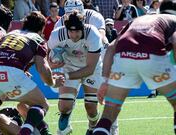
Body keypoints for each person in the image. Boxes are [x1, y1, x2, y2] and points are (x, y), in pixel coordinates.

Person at [93, 0, 176, 134]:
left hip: (124, 57)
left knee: (108, 114)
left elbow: (111, 48)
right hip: (152, 56)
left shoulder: (140, 19)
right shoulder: (173, 19)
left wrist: (105, 81)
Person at [48, 11, 103, 135]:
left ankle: (92, 127)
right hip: (69, 66)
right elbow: (47, 53)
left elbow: (90, 69)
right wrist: (51, 65)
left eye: (77, 31)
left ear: (83, 27)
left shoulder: (92, 34)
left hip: (91, 68)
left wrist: (66, 76)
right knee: (64, 106)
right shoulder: (57, 35)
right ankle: (66, 116)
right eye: (71, 31)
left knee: (91, 108)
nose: (73, 35)